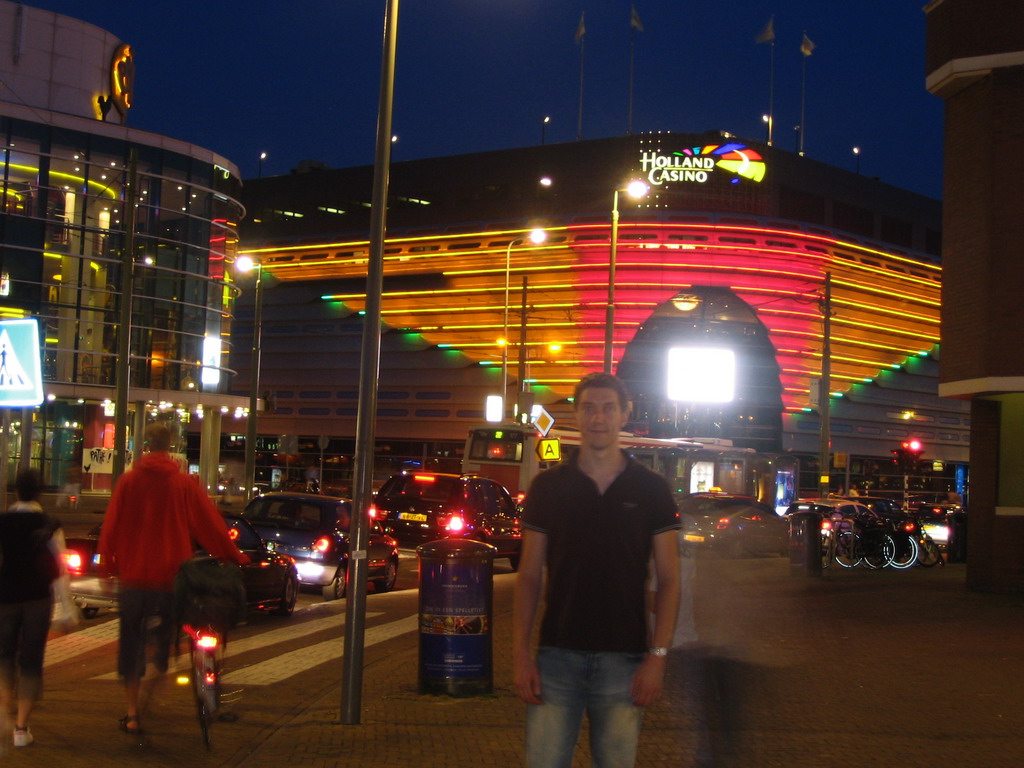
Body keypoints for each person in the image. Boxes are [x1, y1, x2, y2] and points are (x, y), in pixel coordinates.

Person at [514, 372, 681, 767]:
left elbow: (671, 579)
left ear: (626, 414)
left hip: (625, 661)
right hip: (556, 657)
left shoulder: (651, 489)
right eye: (589, 408)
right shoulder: (548, 488)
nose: (598, 418)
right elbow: (529, 576)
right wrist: (521, 654)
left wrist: (657, 657)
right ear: (576, 414)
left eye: (608, 408)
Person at [98, 422, 248, 735]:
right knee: (170, 639)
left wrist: (107, 567)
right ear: (171, 448)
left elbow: (111, 526)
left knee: (131, 645)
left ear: (144, 446)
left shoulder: (127, 482)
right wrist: (233, 555)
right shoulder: (183, 485)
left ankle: (132, 714)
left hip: (135, 578)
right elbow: (208, 524)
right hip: (173, 580)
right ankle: (161, 672)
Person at [0, 468, 64, 748]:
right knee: (31, 660)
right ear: (40, 492)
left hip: (6, 597)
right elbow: (60, 566)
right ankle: (21, 729)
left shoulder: (1, 522)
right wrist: (69, 610)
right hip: (39, 598)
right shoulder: (48, 522)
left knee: (4, 654)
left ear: (16, 491)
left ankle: (5, 706)